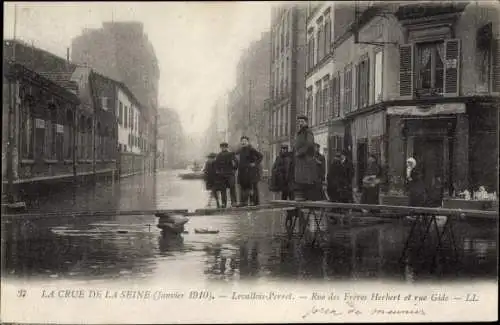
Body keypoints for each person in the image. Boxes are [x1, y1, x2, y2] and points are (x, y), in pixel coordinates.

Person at [293, 115, 316, 201]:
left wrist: (300, 152)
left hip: (305, 159)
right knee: (300, 180)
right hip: (299, 160)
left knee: (305, 179)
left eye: (302, 122)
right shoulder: (299, 133)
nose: (300, 123)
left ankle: (306, 199)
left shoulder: (308, 132)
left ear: (306, 122)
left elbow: (309, 144)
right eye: (299, 122)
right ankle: (301, 198)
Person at [236, 136, 263, 206]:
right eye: (242, 141)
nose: (243, 142)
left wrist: (255, 163)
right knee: (244, 187)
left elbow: (260, 156)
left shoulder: (251, 149)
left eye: (245, 141)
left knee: (252, 188)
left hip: (251, 173)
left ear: (248, 142)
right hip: (243, 172)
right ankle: (243, 202)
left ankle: (253, 202)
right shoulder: (241, 150)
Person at [214, 142, 238, 208]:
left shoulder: (231, 154)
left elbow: (236, 162)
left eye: (224, 147)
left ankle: (234, 202)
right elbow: (216, 165)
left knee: (232, 188)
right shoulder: (218, 155)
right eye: (222, 147)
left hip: (230, 174)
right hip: (222, 175)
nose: (223, 148)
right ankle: (224, 203)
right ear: (220, 148)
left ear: (226, 147)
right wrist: (218, 172)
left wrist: (234, 169)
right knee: (223, 189)